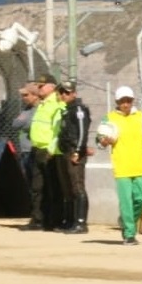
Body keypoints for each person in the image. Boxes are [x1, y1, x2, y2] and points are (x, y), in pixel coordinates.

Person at [97, 86, 142, 245]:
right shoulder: (109, 118)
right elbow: (100, 138)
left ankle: (126, 221)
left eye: (128, 101)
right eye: (122, 101)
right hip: (122, 166)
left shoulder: (141, 118)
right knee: (126, 201)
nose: (126, 104)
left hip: (140, 166)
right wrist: (103, 142)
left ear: (132, 101)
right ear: (117, 102)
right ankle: (129, 234)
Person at [22, 73, 63, 231]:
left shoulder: (56, 103)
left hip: (48, 150)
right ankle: (38, 219)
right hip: (37, 148)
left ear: (51, 87)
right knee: (36, 186)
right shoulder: (42, 104)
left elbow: (57, 130)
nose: (39, 88)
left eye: (42, 86)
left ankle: (53, 220)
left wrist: (51, 149)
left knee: (51, 187)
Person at [55, 80, 91, 234]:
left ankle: (81, 222)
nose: (64, 95)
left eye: (67, 92)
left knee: (77, 186)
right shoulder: (66, 110)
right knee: (67, 187)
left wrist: (78, 150)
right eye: (61, 92)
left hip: (74, 151)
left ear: (74, 93)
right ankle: (69, 220)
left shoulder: (79, 110)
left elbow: (82, 132)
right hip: (65, 150)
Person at [11, 83, 39, 183]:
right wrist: (23, 121)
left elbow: (30, 124)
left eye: (26, 95)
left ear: (35, 95)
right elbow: (15, 124)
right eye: (23, 95)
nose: (24, 98)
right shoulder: (27, 109)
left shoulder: (39, 109)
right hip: (25, 149)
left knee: (34, 179)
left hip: (32, 149)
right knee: (27, 178)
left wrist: (23, 121)